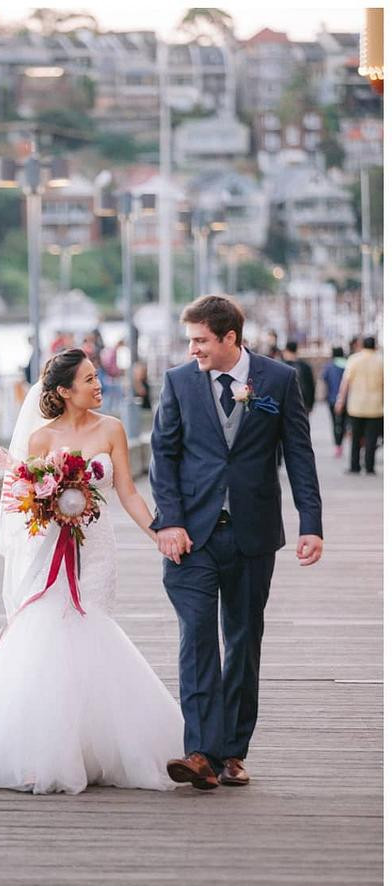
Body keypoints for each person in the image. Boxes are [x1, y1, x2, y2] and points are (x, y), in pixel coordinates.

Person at [0, 349, 184, 793]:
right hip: (53, 547)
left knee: (92, 624)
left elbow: (127, 491)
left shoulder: (112, 429)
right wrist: (48, 508)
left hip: (97, 547)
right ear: (64, 392)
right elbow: (22, 503)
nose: (99, 385)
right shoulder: (40, 440)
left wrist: (158, 534)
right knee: (49, 632)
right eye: (89, 380)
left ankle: (92, 747)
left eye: (97, 377)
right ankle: (46, 751)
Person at [151, 295, 322, 789]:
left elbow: (299, 454)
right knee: (197, 638)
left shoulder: (279, 380)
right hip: (192, 536)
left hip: (253, 533)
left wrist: (311, 522)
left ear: (230, 338)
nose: (193, 349)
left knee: (244, 640)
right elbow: (164, 456)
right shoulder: (179, 382)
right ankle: (201, 751)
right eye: (190, 340)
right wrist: (169, 523)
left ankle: (232, 753)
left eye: (201, 340)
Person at [336, 336, 383, 475]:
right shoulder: (382, 361)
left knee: (356, 438)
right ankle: (369, 466)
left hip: (356, 406)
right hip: (376, 407)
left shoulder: (354, 360)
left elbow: (345, 383)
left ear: (362, 346)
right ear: (375, 346)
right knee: (372, 438)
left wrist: (340, 400)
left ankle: (354, 465)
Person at [321, 346, 349, 457]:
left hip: (332, 399)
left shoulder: (329, 366)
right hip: (347, 399)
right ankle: (342, 439)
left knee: (335, 422)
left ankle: (338, 445)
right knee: (344, 422)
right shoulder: (349, 365)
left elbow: (324, 379)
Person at [283, 340, 315, 414]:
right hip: (303, 403)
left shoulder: (281, 366)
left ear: (286, 350)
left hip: (285, 404)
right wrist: (310, 404)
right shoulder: (305, 366)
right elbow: (311, 386)